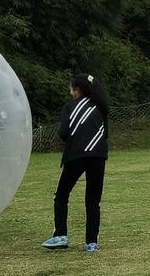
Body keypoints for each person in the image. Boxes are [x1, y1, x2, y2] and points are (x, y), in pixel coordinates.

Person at [42, 73, 109, 252]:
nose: (69, 90)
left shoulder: (70, 107)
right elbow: (105, 133)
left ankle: (61, 236)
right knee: (93, 201)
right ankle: (91, 242)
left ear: (77, 89)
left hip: (76, 156)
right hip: (98, 156)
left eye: (71, 87)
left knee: (62, 195)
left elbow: (63, 132)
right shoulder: (100, 107)